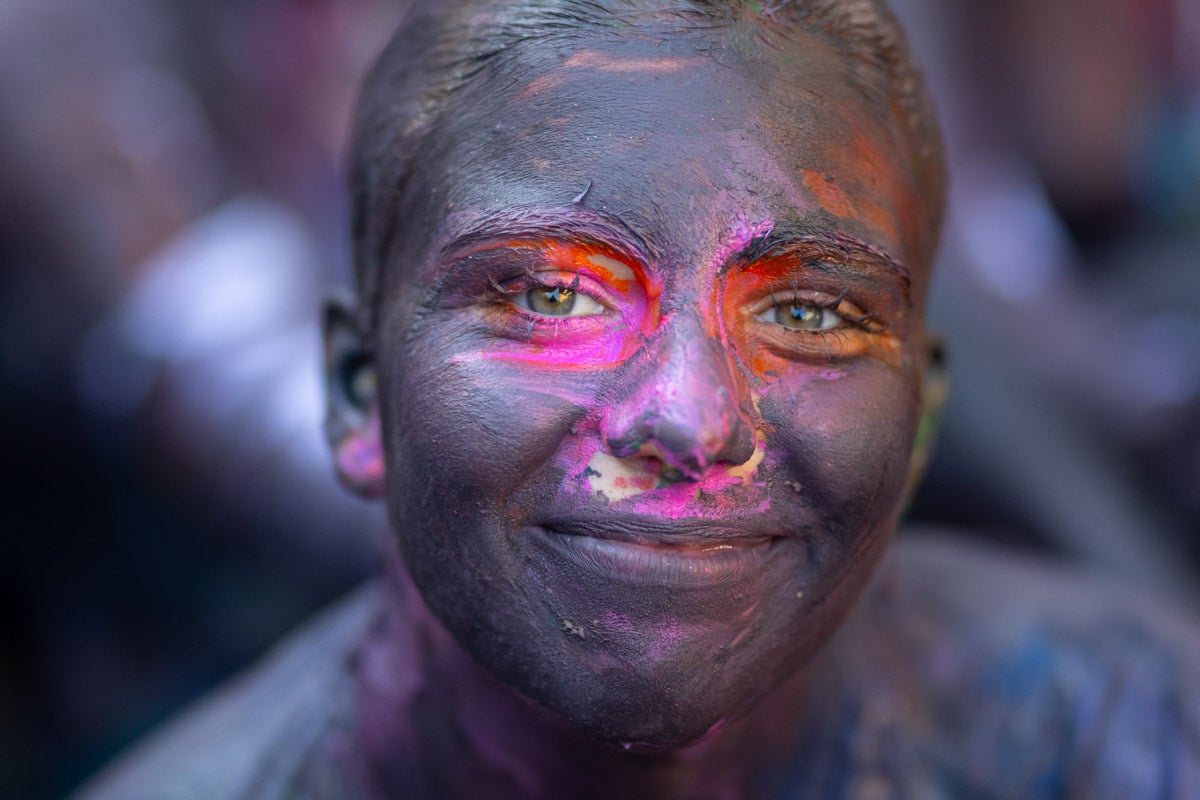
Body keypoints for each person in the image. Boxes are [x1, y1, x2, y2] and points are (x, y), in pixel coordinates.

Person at [74, 1, 1200, 797]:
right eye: (555, 294)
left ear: (922, 423)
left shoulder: (1139, 732)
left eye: (805, 313)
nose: (692, 418)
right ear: (359, 391)